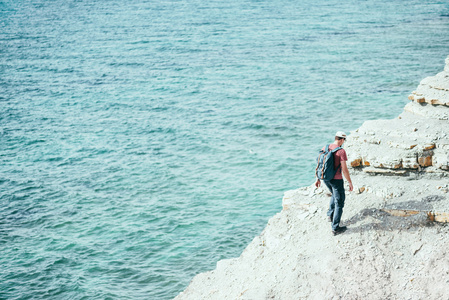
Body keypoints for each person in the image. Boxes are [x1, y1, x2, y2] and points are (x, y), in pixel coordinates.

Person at [315, 131, 353, 236]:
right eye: (343, 140)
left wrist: (318, 179)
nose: (343, 143)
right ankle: (335, 228)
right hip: (336, 180)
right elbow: (344, 170)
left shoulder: (325, 147)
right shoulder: (341, 151)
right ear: (341, 139)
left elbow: (320, 164)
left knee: (333, 194)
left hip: (325, 178)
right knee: (339, 202)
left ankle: (330, 215)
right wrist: (350, 182)